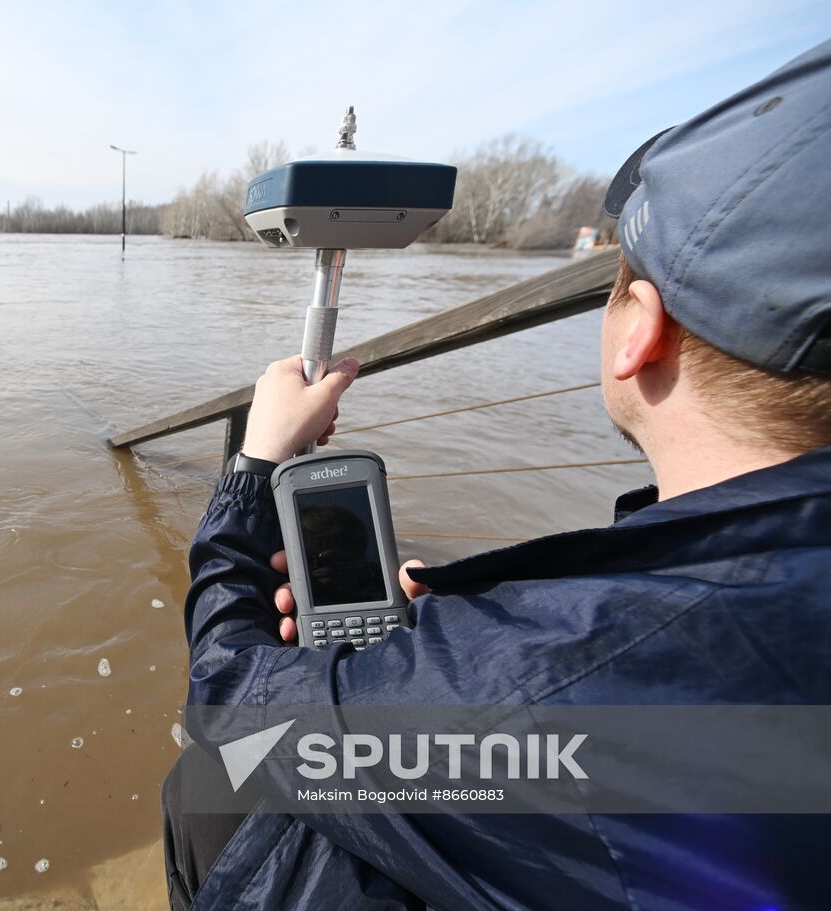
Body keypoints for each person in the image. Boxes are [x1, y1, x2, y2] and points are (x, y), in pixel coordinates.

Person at [163, 39, 831, 911]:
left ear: (642, 333)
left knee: (207, 786)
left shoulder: (531, 682)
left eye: (617, 287)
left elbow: (232, 698)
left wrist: (254, 467)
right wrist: (455, 649)